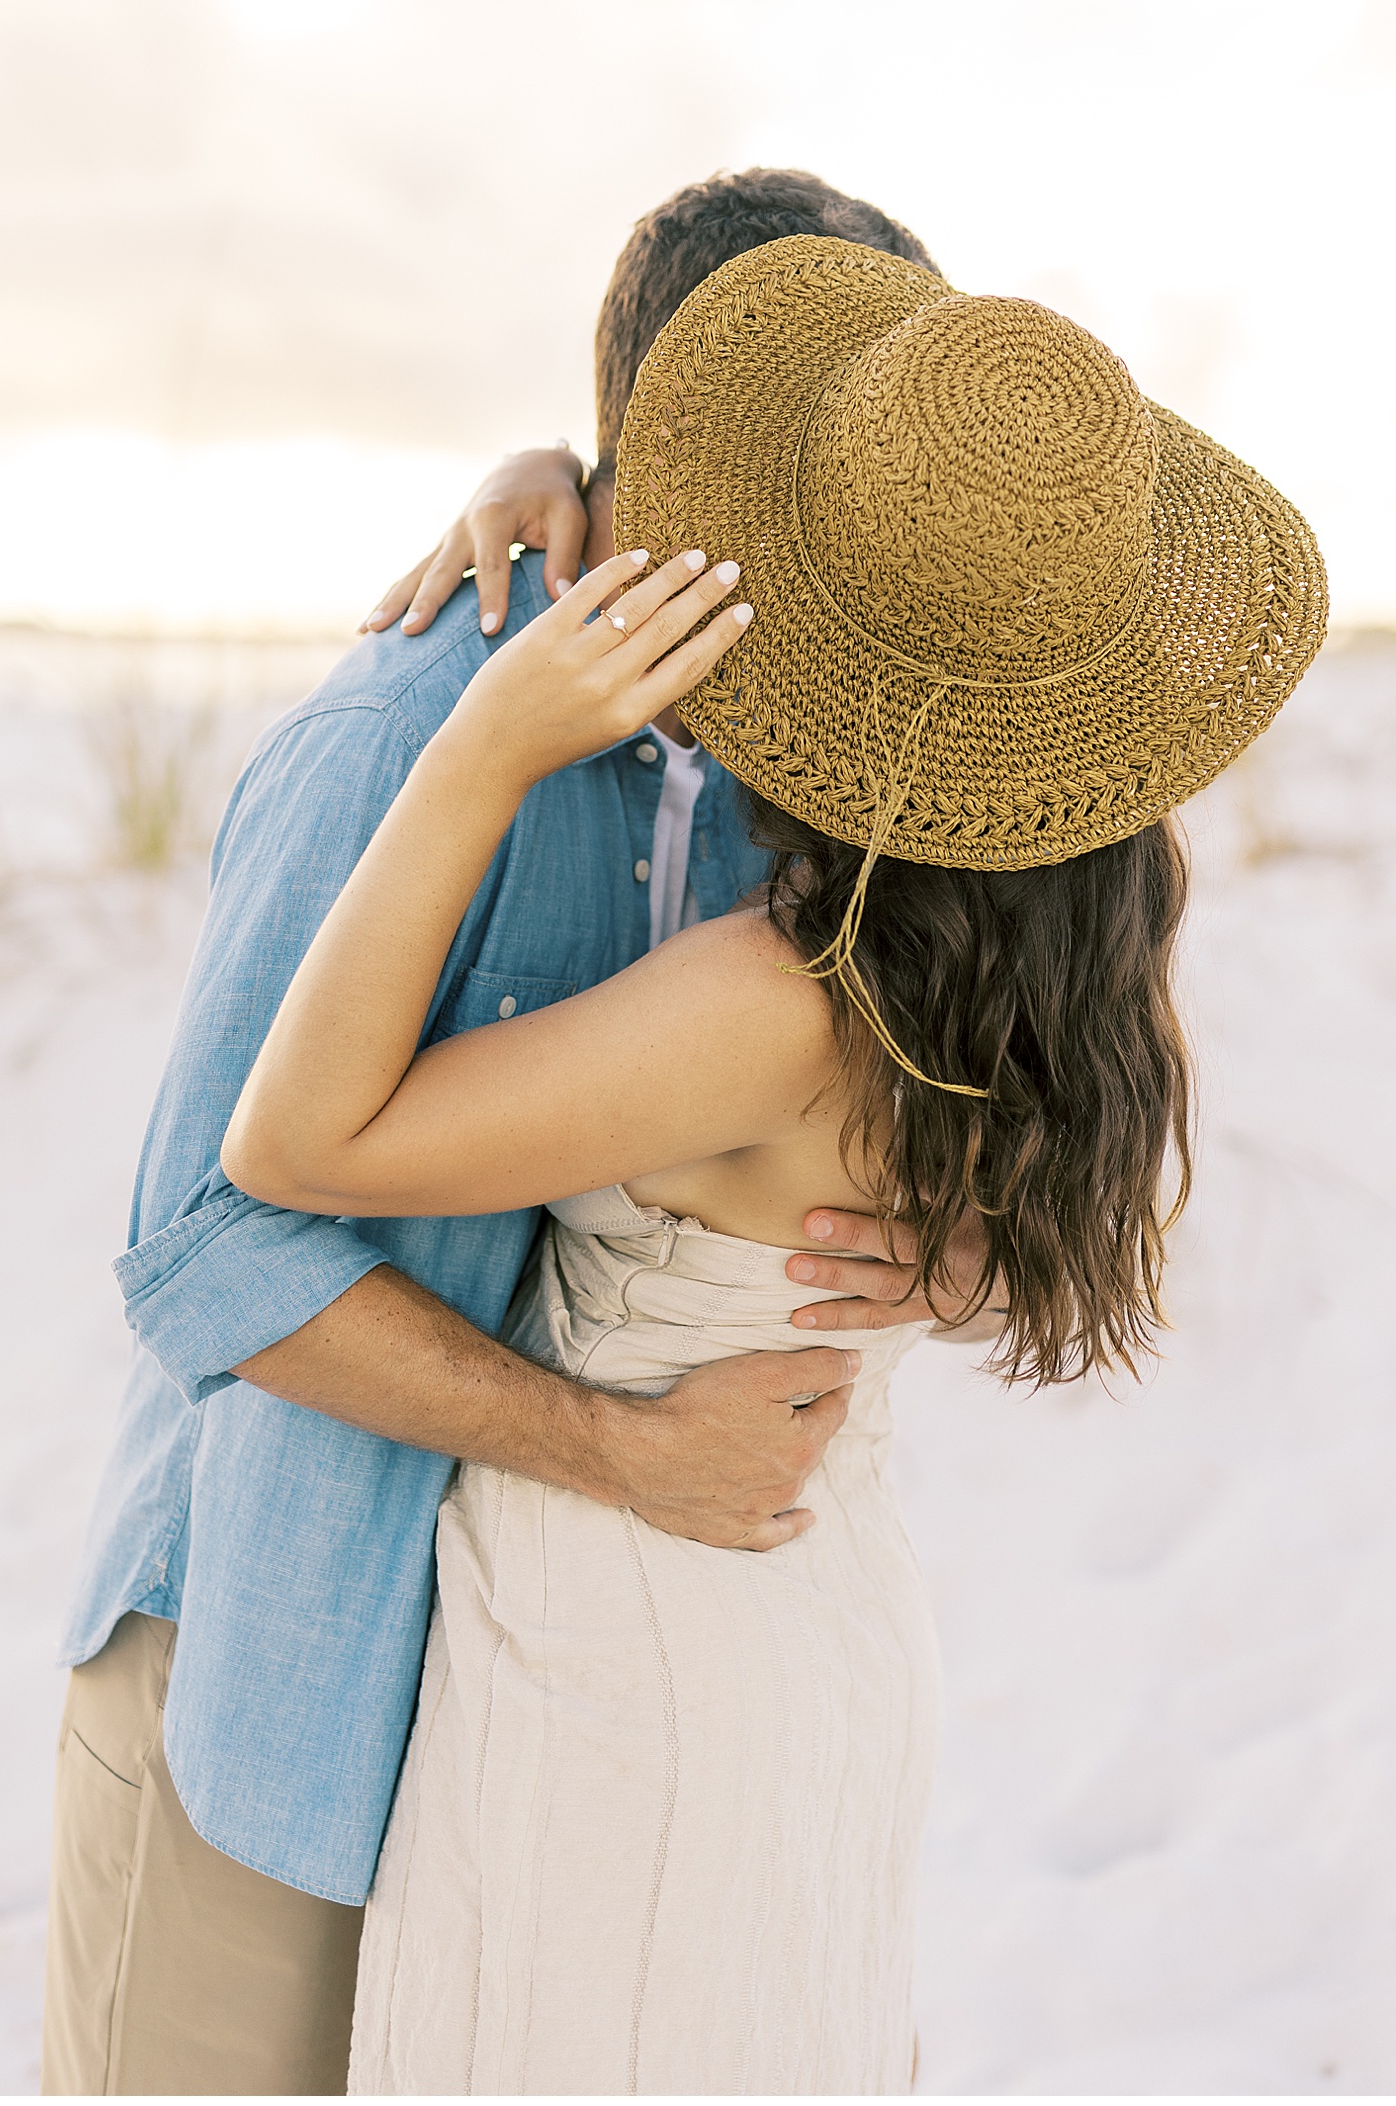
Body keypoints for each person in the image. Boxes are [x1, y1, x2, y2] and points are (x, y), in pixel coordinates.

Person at [225, 236, 1329, 2094]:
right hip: (817, 1623)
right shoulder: (1059, 966)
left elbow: (295, 1140)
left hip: (636, 1654)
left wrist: (483, 750)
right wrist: (542, 478)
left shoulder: (773, 1001)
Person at [41, 170, 964, 2099]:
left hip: (539, 1705)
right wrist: (622, 1451)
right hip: (277, 1671)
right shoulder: (401, 735)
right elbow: (200, 1247)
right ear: (691, 451)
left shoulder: (792, 770)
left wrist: (945, 1239)